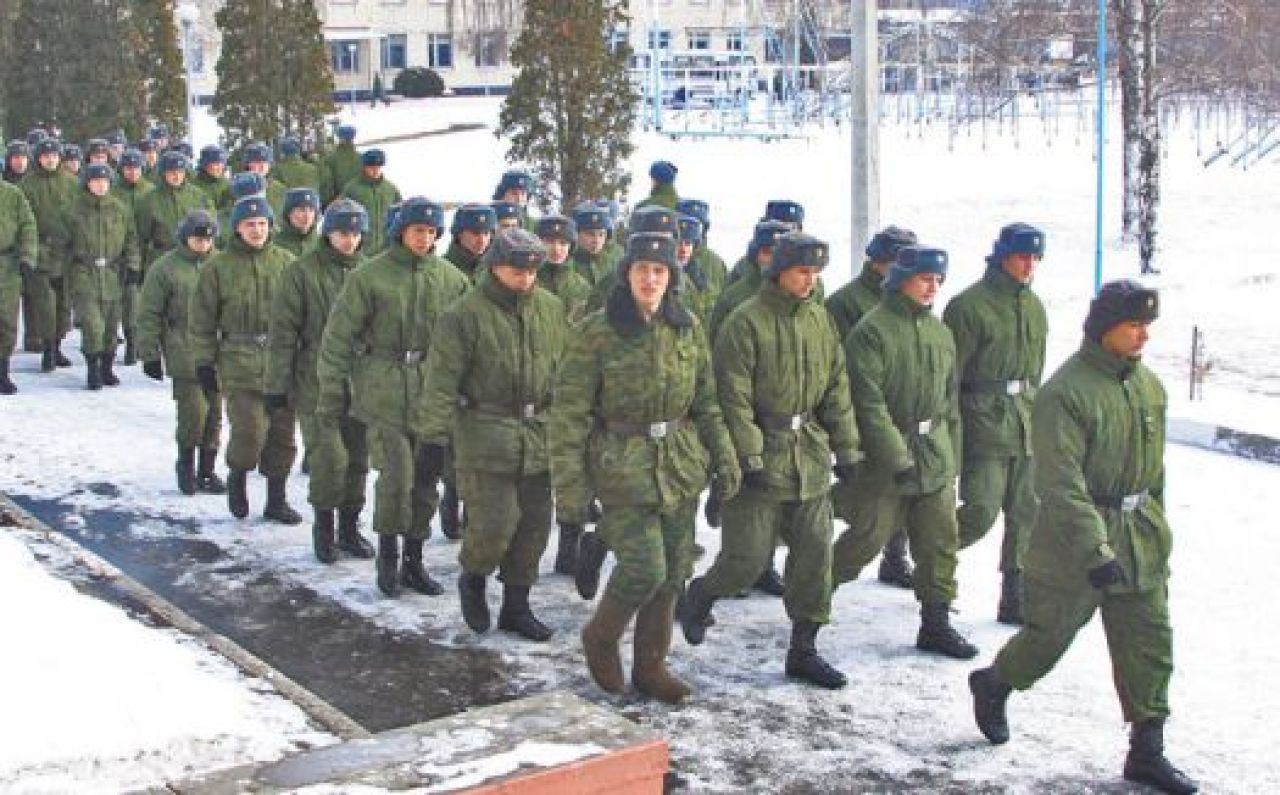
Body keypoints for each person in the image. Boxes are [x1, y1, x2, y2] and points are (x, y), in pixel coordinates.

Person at [969, 280, 1197, 795]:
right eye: (1133, 325)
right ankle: (995, 683)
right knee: (1047, 638)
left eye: (1147, 326)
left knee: (1150, 642)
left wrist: (1157, 528)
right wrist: (1096, 550)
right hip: (1072, 544)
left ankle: (1147, 751)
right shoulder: (1064, 393)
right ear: (1104, 328)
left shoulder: (1148, 387)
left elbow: (1154, 472)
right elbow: (1059, 484)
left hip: (1138, 539)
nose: (1143, 336)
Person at [549, 232, 739, 704]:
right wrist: (570, 489)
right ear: (627, 274)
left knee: (673, 571)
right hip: (622, 465)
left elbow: (707, 402)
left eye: (659, 271)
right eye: (641, 270)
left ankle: (651, 667)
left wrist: (724, 456)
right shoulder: (596, 331)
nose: (650, 279)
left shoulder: (686, 327)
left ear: (671, 277)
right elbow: (569, 415)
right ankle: (601, 635)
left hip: (679, 463)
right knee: (644, 568)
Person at [678, 233, 861, 689]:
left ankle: (804, 649)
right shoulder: (745, 322)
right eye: (802, 271)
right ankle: (701, 594)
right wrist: (749, 455)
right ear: (779, 271)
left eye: (815, 272)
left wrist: (847, 447)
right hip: (760, 459)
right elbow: (732, 397)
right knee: (746, 560)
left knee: (815, 557)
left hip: (809, 457)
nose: (810, 280)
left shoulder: (820, 320)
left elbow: (836, 387)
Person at [416, 228, 568, 641]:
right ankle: (475, 577)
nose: (525, 279)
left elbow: (566, 371)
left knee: (534, 526)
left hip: (538, 434)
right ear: (495, 267)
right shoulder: (463, 315)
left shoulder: (551, 309)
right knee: (494, 523)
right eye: (517, 271)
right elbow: (440, 383)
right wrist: (432, 439)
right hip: (484, 433)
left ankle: (517, 606)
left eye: (532, 271)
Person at [316, 197, 470, 597]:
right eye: (418, 230)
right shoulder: (369, 277)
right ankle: (388, 557)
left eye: (432, 232)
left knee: (426, 480)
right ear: (401, 231)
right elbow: (338, 337)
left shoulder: (452, 280)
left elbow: (467, 341)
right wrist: (333, 389)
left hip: (431, 390)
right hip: (381, 389)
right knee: (396, 477)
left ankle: (414, 560)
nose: (424, 238)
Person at [830, 245, 979, 660]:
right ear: (901, 280)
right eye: (925, 279)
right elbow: (869, 404)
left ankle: (936, 622)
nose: (933, 288)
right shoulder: (872, 332)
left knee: (940, 543)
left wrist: (952, 456)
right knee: (865, 540)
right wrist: (896, 458)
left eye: (938, 281)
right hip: (886, 460)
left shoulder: (940, 333)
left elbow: (949, 403)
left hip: (933, 455)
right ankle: (809, 609)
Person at [943, 223, 1048, 624]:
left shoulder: (1034, 307)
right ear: (1002, 256)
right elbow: (950, 377)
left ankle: (1014, 595)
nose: (1029, 265)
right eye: (1022, 256)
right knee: (981, 510)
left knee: (1027, 512)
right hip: (983, 423)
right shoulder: (968, 307)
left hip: (1025, 423)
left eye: (1035, 258)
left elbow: (1036, 371)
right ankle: (933, 557)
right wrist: (953, 432)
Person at [266, 199, 375, 563]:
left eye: (356, 233)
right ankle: (324, 529)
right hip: (314, 376)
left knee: (358, 457)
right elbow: (283, 333)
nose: (350, 240)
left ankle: (349, 527)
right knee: (329, 458)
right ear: (328, 233)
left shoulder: (369, 272)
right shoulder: (301, 273)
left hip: (360, 378)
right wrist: (277, 384)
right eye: (342, 233)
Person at [189, 195, 301, 524]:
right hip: (238, 359)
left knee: (282, 434)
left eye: (262, 224)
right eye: (250, 224)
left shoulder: (287, 263)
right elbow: (202, 320)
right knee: (250, 431)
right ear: (237, 228)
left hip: (281, 360)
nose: (257, 230)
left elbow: (303, 312)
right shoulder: (217, 268)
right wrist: (204, 362)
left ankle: (276, 500)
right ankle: (238, 474)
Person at [826, 225, 918, 589]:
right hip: (863, 411)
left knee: (905, 486)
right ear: (879, 261)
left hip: (904, 411)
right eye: (897, 260)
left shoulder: (910, 298)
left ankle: (895, 556)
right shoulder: (845, 303)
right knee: (870, 494)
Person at [137, 210, 227, 496]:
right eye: (197, 239)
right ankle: (186, 464)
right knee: (193, 413)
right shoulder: (165, 268)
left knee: (215, 414)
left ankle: (207, 470)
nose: (203, 244)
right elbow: (149, 312)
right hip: (183, 348)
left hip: (219, 350)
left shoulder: (223, 264)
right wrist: (149, 353)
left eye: (208, 239)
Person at [55, 163, 140, 390]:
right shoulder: (73, 210)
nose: (101, 186)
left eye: (104, 182)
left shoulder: (120, 209)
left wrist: (133, 266)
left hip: (112, 272)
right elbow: (61, 244)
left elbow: (131, 240)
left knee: (111, 324)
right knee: (92, 324)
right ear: (87, 184)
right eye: (96, 182)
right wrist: (58, 272)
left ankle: (107, 367)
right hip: (84, 271)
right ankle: (92, 367)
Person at [133, 150, 211, 365]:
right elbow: (140, 235)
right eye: (171, 172)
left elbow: (211, 228)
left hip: (197, 256)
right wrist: (138, 266)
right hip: (162, 255)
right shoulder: (149, 200)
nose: (176, 176)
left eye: (180, 171)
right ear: (163, 173)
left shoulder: (199, 196)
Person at [19, 138, 78, 373]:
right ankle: (47, 347)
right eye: (45, 156)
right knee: (45, 303)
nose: (50, 160)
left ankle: (58, 344)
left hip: (66, 252)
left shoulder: (72, 182)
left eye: (54, 155)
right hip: (40, 250)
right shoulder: (27, 185)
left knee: (64, 303)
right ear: (38, 158)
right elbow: (24, 219)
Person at [0, 176, 38, 395]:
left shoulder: (13, 194)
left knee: (7, 320)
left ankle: (2, 371)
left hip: (8, 265)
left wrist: (27, 256)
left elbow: (27, 225)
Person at [340, 149, 401, 254]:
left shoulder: (390, 188)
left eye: (378, 167)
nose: (375, 171)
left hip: (385, 250)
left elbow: (399, 215)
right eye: (372, 167)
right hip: (360, 249)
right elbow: (341, 217)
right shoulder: (352, 188)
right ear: (364, 167)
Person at [535, 214, 591, 325]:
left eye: (563, 243)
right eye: (549, 241)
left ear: (571, 247)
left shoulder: (581, 287)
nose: (556, 249)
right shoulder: (526, 281)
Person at [443, 203, 497, 284]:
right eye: (475, 233)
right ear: (459, 234)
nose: (482, 241)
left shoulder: (498, 269)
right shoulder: (443, 270)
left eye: (486, 233)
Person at [570, 202, 618, 286]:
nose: (596, 240)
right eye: (590, 234)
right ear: (576, 235)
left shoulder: (614, 264)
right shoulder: (567, 265)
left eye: (601, 234)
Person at [319, 125, 360, 206]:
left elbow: (327, 184)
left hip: (337, 203)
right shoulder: (361, 158)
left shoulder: (329, 159)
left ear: (340, 139)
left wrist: (324, 203)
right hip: (358, 203)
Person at [274, 188, 321, 256]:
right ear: (289, 214)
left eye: (311, 210)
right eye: (302, 210)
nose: (307, 216)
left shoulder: (321, 243)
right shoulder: (276, 244)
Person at [192, 145, 232, 211]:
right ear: (205, 164)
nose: (219, 168)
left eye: (222, 163)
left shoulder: (227, 184)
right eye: (216, 164)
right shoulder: (194, 186)